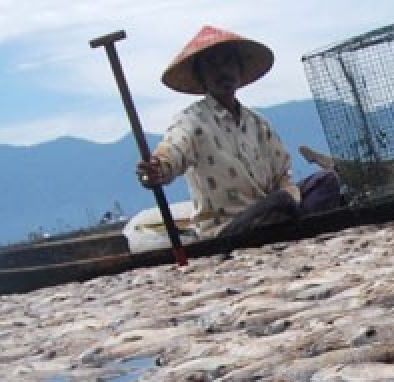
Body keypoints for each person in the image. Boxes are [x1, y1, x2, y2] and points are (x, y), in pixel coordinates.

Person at [136, 26, 342, 239]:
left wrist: (292, 198)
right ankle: (296, 225)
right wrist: (157, 168)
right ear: (201, 76)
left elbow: (282, 174)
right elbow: (173, 151)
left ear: (239, 69)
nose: (222, 71)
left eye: (228, 62)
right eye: (212, 65)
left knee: (326, 181)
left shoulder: (257, 123)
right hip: (228, 227)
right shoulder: (191, 121)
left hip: (270, 213)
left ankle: (295, 225)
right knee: (280, 203)